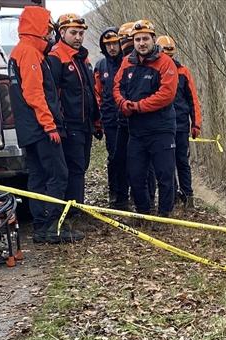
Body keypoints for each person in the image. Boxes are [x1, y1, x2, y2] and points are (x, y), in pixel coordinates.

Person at [8, 5, 83, 244]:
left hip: (28, 129)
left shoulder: (19, 52)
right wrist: (49, 125)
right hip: (41, 128)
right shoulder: (29, 52)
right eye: (48, 29)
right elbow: (34, 94)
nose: (50, 34)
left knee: (37, 177)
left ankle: (41, 226)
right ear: (38, 28)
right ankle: (55, 226)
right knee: (58, 175)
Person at [113, 20, 178, 227]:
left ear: (153, 39)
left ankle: (164, 215)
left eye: (145, 39)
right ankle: (143, 211)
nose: (141, 43)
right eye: (137, 39)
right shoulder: (127, 62)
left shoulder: (165, 63)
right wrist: (123, 103)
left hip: (161, 129)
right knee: (136, 174)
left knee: (165, 174)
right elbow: (117, 87)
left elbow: (166, 94)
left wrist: (139, 106)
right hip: (136, 131)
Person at [47, 14, 99, 207]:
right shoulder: (55, 57)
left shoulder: (82, 57)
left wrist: (96, 120)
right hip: (69, 123)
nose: (78, 37)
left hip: (86, 123)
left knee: (82, 166)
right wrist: (59, 122)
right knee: (75, 168)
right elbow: (52, 93)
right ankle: (75, 210)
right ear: (62, 33)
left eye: (81, 33)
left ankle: (76, 206)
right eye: (73, 33)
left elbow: (90, 91)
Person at [156, 36, 202, 207]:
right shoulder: (154, 70)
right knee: (165, 164)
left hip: (181, 124)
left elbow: (193, 99)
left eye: (171, 55)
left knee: (182, 161)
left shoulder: (183, 71)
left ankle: (188, 197)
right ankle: (172, 195)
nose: (169, 58)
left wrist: (196, 124)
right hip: (162, 125)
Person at [94, 27, 130, 209]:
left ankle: (132, 192)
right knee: (114, 157)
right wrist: (98, 122)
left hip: (128, 118)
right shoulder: (100, 66)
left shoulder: (128, 62)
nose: (112, 48)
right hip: (109, 120)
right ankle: (115, 192)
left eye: (115, 43)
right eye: (108, 44)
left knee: (132, 157)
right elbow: (97, 95)